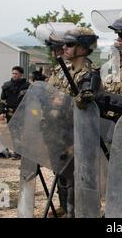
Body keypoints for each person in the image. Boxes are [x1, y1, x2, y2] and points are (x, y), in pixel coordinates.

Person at [48, 26, 101, 218]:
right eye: (64, 44)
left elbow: (86, 103)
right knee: (61, 174)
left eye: (70, 45)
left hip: (77, 134)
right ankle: (64, 208)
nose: (65, 49)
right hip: (60, 132)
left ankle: (74, 213)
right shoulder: (64, 71)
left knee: (75, 179)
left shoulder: (89, 74)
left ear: (83, 48)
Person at [0, 66, 30, 159]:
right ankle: (17, 152)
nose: (14, 75)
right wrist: (2, 111)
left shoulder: (27, 86)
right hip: (11, 113)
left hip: (23, 113)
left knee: (23, 132)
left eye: (16, 73)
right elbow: (3, 100)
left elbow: (32, 100)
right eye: (13, 73)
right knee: (14, 133)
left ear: (21, 74)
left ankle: (24, 152)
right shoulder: (7, 86)